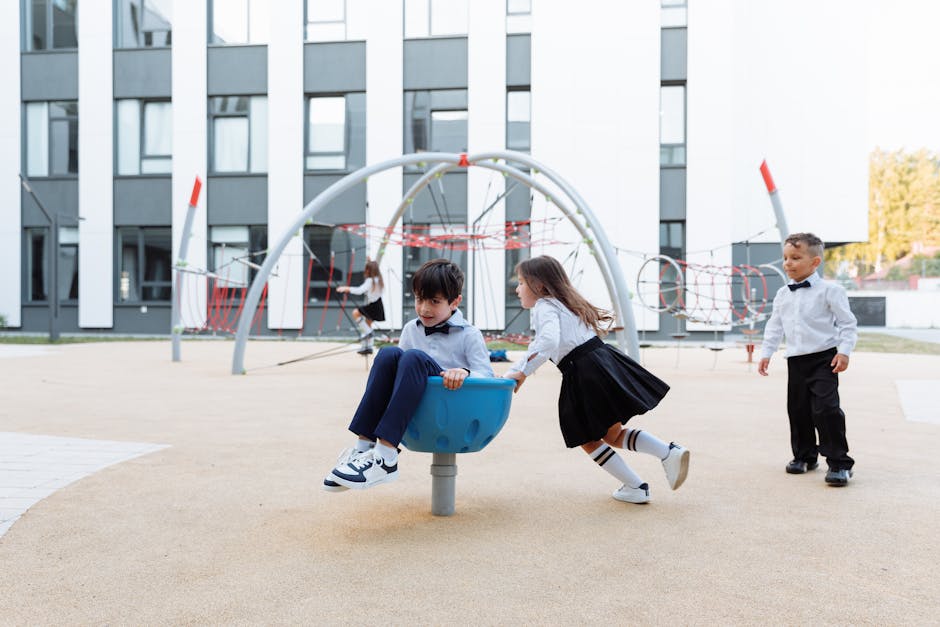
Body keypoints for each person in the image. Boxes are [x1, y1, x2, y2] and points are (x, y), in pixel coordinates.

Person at [504, 255, 689, 504]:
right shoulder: (565, 303)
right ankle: (666, 454)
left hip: (583, 371)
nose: (517, 288)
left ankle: (637, 484)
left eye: (521, 282)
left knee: (586, 437)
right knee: (612, 434)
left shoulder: (545, 306)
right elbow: (541, 345)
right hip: (600, 362)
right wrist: (520, 369)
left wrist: (521, 373)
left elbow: (547, 342)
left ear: (539, 285)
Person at [323, 258, 494, 491]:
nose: (424, 308)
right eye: (419, 299)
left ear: (455, 302)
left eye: (434, 301)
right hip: (413, 409)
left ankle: (386, 457)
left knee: (413, 357)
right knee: (388, 354)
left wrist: (464, 372)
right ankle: (363, 449)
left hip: (450, 408)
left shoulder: (469, 334)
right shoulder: (411, 329)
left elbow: (487, 375)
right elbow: (396, 372)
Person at [758, 232, 858, 486]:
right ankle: (804, 456)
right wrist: (766, 353)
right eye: (785, 258)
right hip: (796, 361)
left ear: (814, 262)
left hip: (825, 360)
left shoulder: (831, 291)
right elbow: (775, 325)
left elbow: (848, 324)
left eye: (795, 257)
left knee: (826, 410)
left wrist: (844, 351)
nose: (788, 263)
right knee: (798, 410)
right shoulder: (783, 294)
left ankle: (839, 464)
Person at [336, 260, 385, 355]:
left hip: (374, 305)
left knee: (356, 313)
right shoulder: (378, 279)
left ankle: (369, 334)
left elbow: (360, 290)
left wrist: (346, 288)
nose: (364, 271)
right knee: (367, 324)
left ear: (369, 270)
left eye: (366, 269)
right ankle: (368, 347)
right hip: (377, 304)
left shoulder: (370, 280)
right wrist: (369, 260)